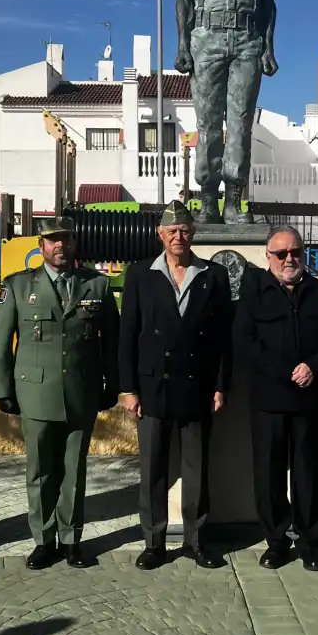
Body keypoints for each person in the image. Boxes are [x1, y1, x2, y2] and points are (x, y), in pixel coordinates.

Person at [0, 217, 119, 569]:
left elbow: (113, 341)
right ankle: (44, 541)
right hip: (36, 393)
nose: (60, 245)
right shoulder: (18, 286)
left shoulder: (97, 285)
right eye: (52, 240)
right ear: (41, 246)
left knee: (74, 471)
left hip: (81, 391)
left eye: (66, 239)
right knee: (41, 470)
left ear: (75, 244)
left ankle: (72, 540)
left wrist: (113, 383)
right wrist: (3, 388)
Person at [119, 200, 232, 569]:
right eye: (171, 231)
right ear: (160, 234)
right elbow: (128, 334)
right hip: (153, 386)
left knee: (196, 470)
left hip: (198, 385)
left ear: (193, 233)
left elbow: (222, 338)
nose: (178, 237)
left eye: (184, 230)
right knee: (153, 470)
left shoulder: (213, 275)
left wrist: (220, 385)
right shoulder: (140, 274)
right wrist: (128, 388)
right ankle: (154, 543)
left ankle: (196, 542)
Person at [234, 226, 318, 570]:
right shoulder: (253, 293)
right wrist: (285, 371)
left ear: (303, 254)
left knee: (308, 474)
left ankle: (310, 543)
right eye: (281, 254)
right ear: (268, 257)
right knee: (268, 475)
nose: (289, 259)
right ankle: (277, 542)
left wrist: (314, 366)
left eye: (295, 252)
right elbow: (244, 342)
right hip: (269, 399)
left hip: (309, 399)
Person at [174, 0, 278, 225]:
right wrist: (182, 44)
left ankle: (234, 200)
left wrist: (269, 46)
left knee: (240, 123)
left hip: (248, 39)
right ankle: (207, 201)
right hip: (206, 37)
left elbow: (268, 3)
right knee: (206, 124)